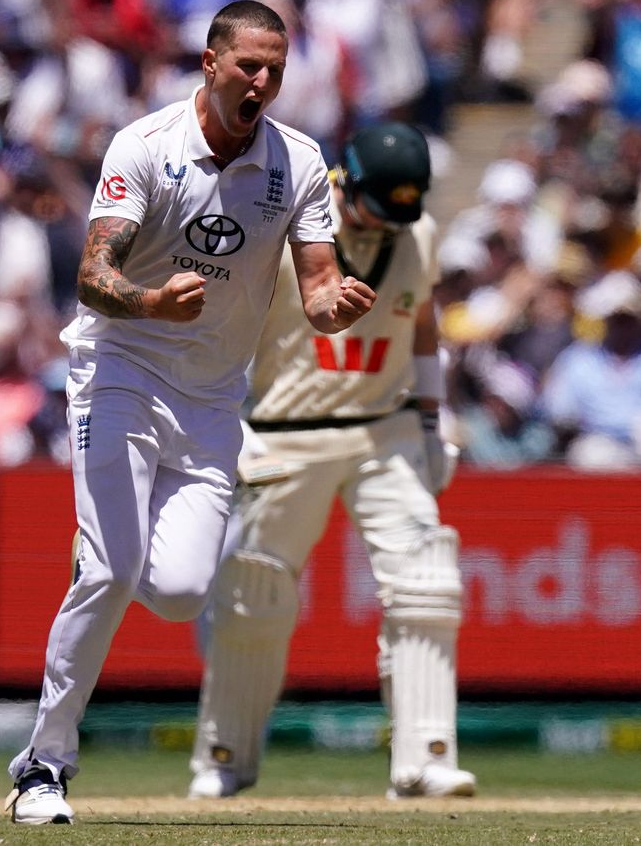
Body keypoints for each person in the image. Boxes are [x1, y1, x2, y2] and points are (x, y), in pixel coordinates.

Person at [4, 0, 377, 825]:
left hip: (213, 395)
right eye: (250, 65)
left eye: (276, 68)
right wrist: (149, 304)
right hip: (122, 365)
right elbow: (93, 275)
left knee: (174, 589)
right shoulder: (146, 146)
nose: (264, 81)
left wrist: (331, 306)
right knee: (111, 571)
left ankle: (103, 546)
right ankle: (44, 767)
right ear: (210, 63)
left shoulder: (300, 162)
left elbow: (316, 280)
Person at [185, 121, 476, 802]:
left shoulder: (419, 233)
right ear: (346, 183)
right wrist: (220, 425)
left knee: (426, 576)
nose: (396, 220)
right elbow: (220, 334)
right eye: (382, 204)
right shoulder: (281, 237)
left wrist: (433, 421)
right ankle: (225, 756)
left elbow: (424, 326)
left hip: (385, 430)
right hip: (286, 432)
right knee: (254, 590)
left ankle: (425, 758)